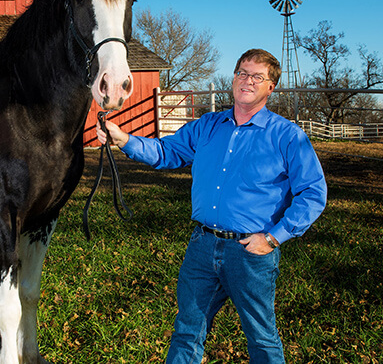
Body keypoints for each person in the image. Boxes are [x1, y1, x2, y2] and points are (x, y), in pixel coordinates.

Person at [97, 49, 327, 363]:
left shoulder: (286, 136)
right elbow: (166, 152)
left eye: (257, 77)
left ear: (270, 88)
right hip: (202, 246)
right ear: (233, 78)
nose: (247, 81)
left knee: (261, 337)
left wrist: (274, 237)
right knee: (187, 330)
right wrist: (124, 139)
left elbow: (313, 193)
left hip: (249, 252)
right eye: (242, 73)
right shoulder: (208, 125)